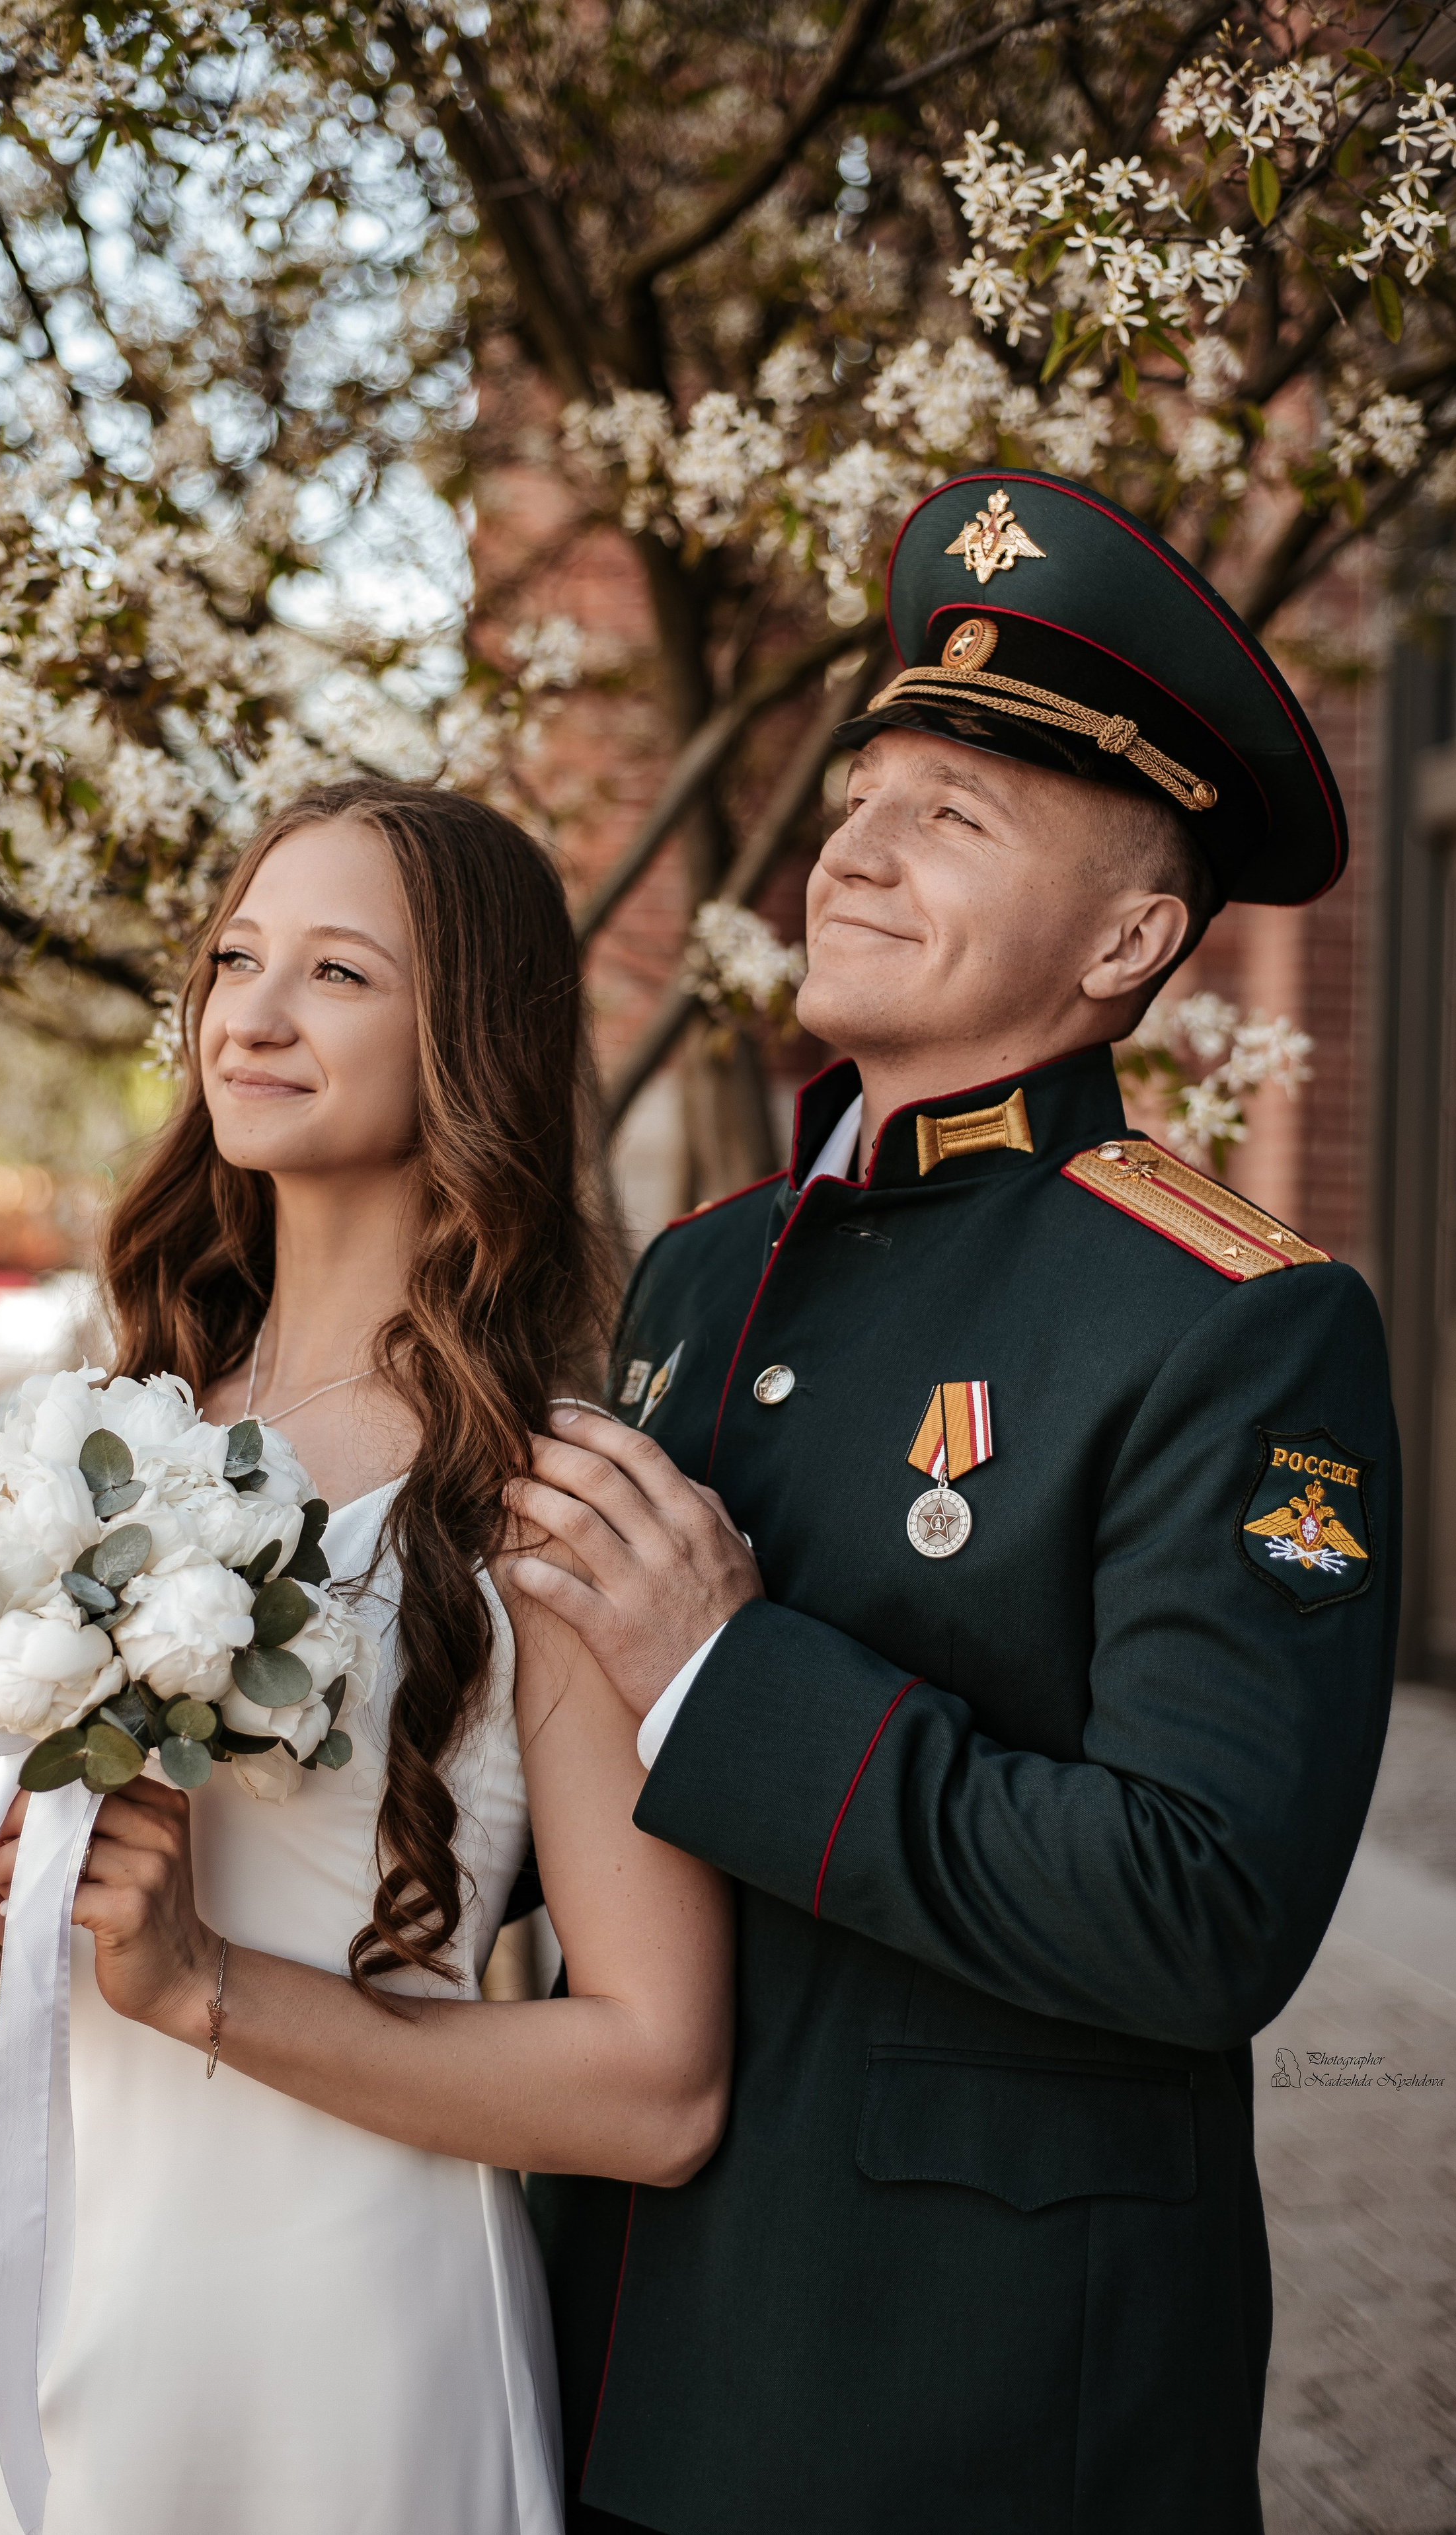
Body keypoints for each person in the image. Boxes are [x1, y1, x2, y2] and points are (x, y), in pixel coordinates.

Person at [508, 472, 1400, 2535]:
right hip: (610, 2340)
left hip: (959, 2403)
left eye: (954, 816)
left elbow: (1200, 1909)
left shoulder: (1240, 1324)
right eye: (866, 789)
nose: (857, 843)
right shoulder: (704, 1273)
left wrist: (730, 1680)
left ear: (1131, 939)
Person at [0, 779, 735, 2535]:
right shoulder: (115, 1423)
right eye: (235, 958)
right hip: (59, 2273)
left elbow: (660, 2081)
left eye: (338, 972)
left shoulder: (551, 1497)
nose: (254, 1015)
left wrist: (211, 1985)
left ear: (473, 1042)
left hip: (347, 2331)